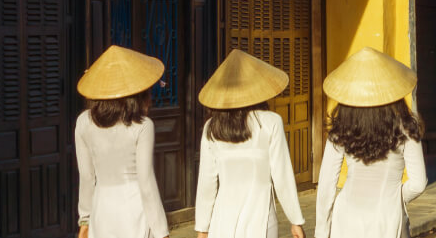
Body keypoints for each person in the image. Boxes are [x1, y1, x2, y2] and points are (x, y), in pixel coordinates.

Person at [314, 47, 427, 238]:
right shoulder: (406, 128)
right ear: (393, 91)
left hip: (346, 216)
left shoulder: (341, 129)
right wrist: (396, 197)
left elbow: (326, 184)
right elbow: (417, 184)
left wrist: (321, 231)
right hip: (386, 217)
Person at [194, 50, 306, 238]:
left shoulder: (212, 127)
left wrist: (202, 228)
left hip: (222, 222)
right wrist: (295, 220)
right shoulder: (270, 122)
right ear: (257, 89)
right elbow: (282, 175)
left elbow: (207, 182)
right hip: (261, 220)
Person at [76, 45, 171, 238]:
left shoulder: (84, 121)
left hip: (101, 210)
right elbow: (146, 182)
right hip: (134, 211)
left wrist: (85, 219)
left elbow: (86, 176)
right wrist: (162, 231)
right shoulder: (143, 125)